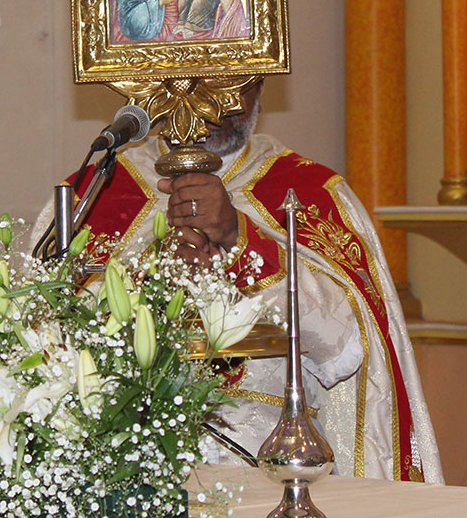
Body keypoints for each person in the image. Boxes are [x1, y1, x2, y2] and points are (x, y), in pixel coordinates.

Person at [31, 80, 443, 482]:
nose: (208, 98)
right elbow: (45, 345)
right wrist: (152, 272)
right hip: (129, 466)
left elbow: (349, 347)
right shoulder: (94, 194)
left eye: (231, 78)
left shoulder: (311, 192)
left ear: (261, 83)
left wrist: (239, 240)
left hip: (273, 464)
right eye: (192, 78)